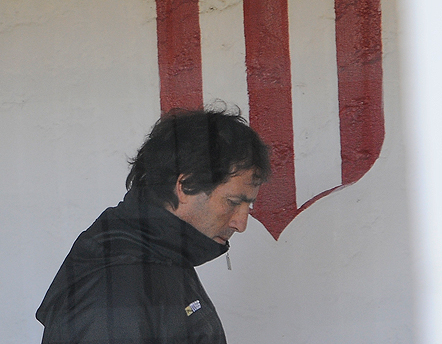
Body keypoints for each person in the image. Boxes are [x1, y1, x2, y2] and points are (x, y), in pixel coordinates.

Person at [36, 108, 270, 343]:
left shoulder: (163, 254)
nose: (241, 223)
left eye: (247, 206)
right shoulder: (114, 291)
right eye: (233, 202)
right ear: (186, 185)